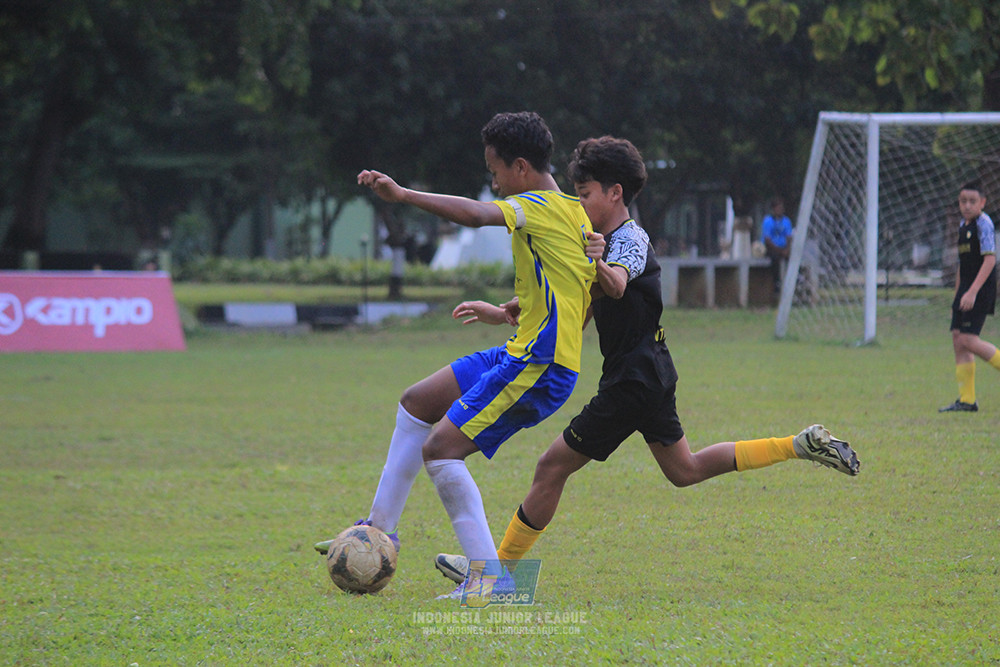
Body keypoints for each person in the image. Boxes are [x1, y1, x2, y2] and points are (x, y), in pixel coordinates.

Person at [433, 136, 860, 584]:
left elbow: (614, 284)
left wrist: (594, 261)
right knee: (684, 469)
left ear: (615, 193)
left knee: (550, 466)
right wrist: (505, 312)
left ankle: (493, 571)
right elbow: (576, 305)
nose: (578, 204)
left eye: (584, 195)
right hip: (647, 371)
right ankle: (798, 444)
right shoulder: (595, 240)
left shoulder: (630, 239)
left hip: (633, 380)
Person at [313, 111, 600, 600]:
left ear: (522, 167)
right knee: (417, 402)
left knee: (441, 450)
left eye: (495, 171)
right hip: (523, 351)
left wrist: (403, 196)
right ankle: (376, 533)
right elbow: (579, 291)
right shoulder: (574, 211)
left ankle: (492, 583)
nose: (493, 183)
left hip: (538, 367)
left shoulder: (538, 205)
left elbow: (475, 213)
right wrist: (510, 311)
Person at [939, 181, 999, 413]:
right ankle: (967, 400)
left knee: (968, 340)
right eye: (963, 201)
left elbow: (990, 260)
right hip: (965, 290)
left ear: (983, 202)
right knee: (958, 339)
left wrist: (972, 292)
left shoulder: (984, 225)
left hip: (980, 290)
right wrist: (958, 295)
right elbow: (963, 265)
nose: (967, 205)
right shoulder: (963, 225)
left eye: (972, 201)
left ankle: (967, 399)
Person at [761, 196, 793, 295]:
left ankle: (795, 282)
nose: (780, 210)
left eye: (781, 208)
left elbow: (789, 237)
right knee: (775, 259)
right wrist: (780, 250)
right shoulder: (768, 221)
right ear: (773, 209)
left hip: (784, 248)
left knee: (792, 258)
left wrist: (787, 249)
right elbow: (767, 240)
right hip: (772, 248)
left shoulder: (786, 221)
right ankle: (776, 284)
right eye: (778, 208)